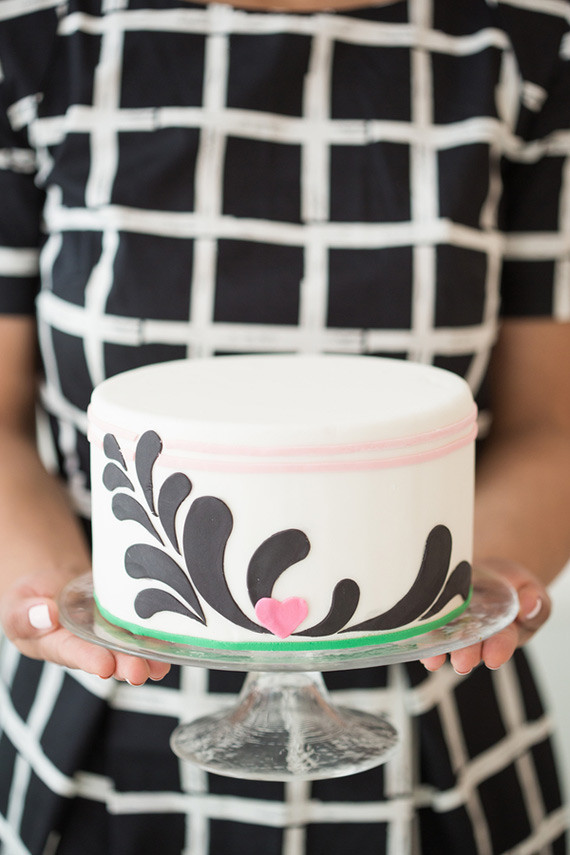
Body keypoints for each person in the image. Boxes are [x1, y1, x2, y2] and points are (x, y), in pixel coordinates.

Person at [0, 0, 569, 852]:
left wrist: (471, 585)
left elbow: (549, 422)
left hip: (436, 732)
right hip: (104, 739)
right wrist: (48, 589)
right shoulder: (39, 60)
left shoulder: (521, 60)